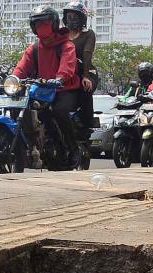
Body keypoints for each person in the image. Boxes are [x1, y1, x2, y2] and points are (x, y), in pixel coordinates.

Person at [13, 5, 81, 167]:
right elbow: (21, 67)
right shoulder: (34, 48)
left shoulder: (66, 45)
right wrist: (13, 79)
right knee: (23, 106)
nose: (41, 27)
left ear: (54, 24)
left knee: (59, 111)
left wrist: (60, 78)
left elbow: (68, 65)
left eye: (45, 23)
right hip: (43, 90)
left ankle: (73, 148)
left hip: (65, 89)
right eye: (37, 24)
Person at [62, 1, 97, 134]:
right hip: (67, 72)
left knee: (85, 88)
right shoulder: (61, 35)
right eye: (69, 17)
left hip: (86, 71)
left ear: (82, 18)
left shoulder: (88, 34)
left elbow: (87, 54)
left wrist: (86, 76)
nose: (71, 20)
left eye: (75, 17)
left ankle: (86, 122)